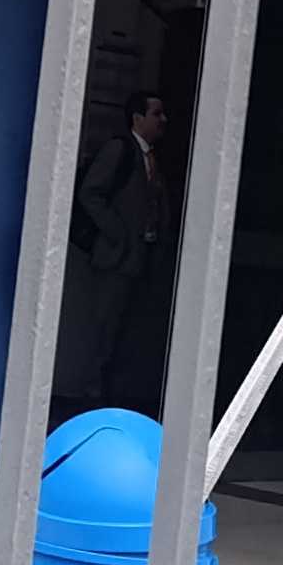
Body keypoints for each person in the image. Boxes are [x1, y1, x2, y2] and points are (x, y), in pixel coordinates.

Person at [59, 88, 177, 416]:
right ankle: (90, 398)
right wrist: (118, 233)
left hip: (140, 259)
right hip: (118, 258)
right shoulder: (120, 150)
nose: (163, 120)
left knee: (124, 332)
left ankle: (112, 394)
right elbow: (90, 193)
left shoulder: (151, 158)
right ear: (137, 118)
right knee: (103, 329)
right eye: (156, 114)